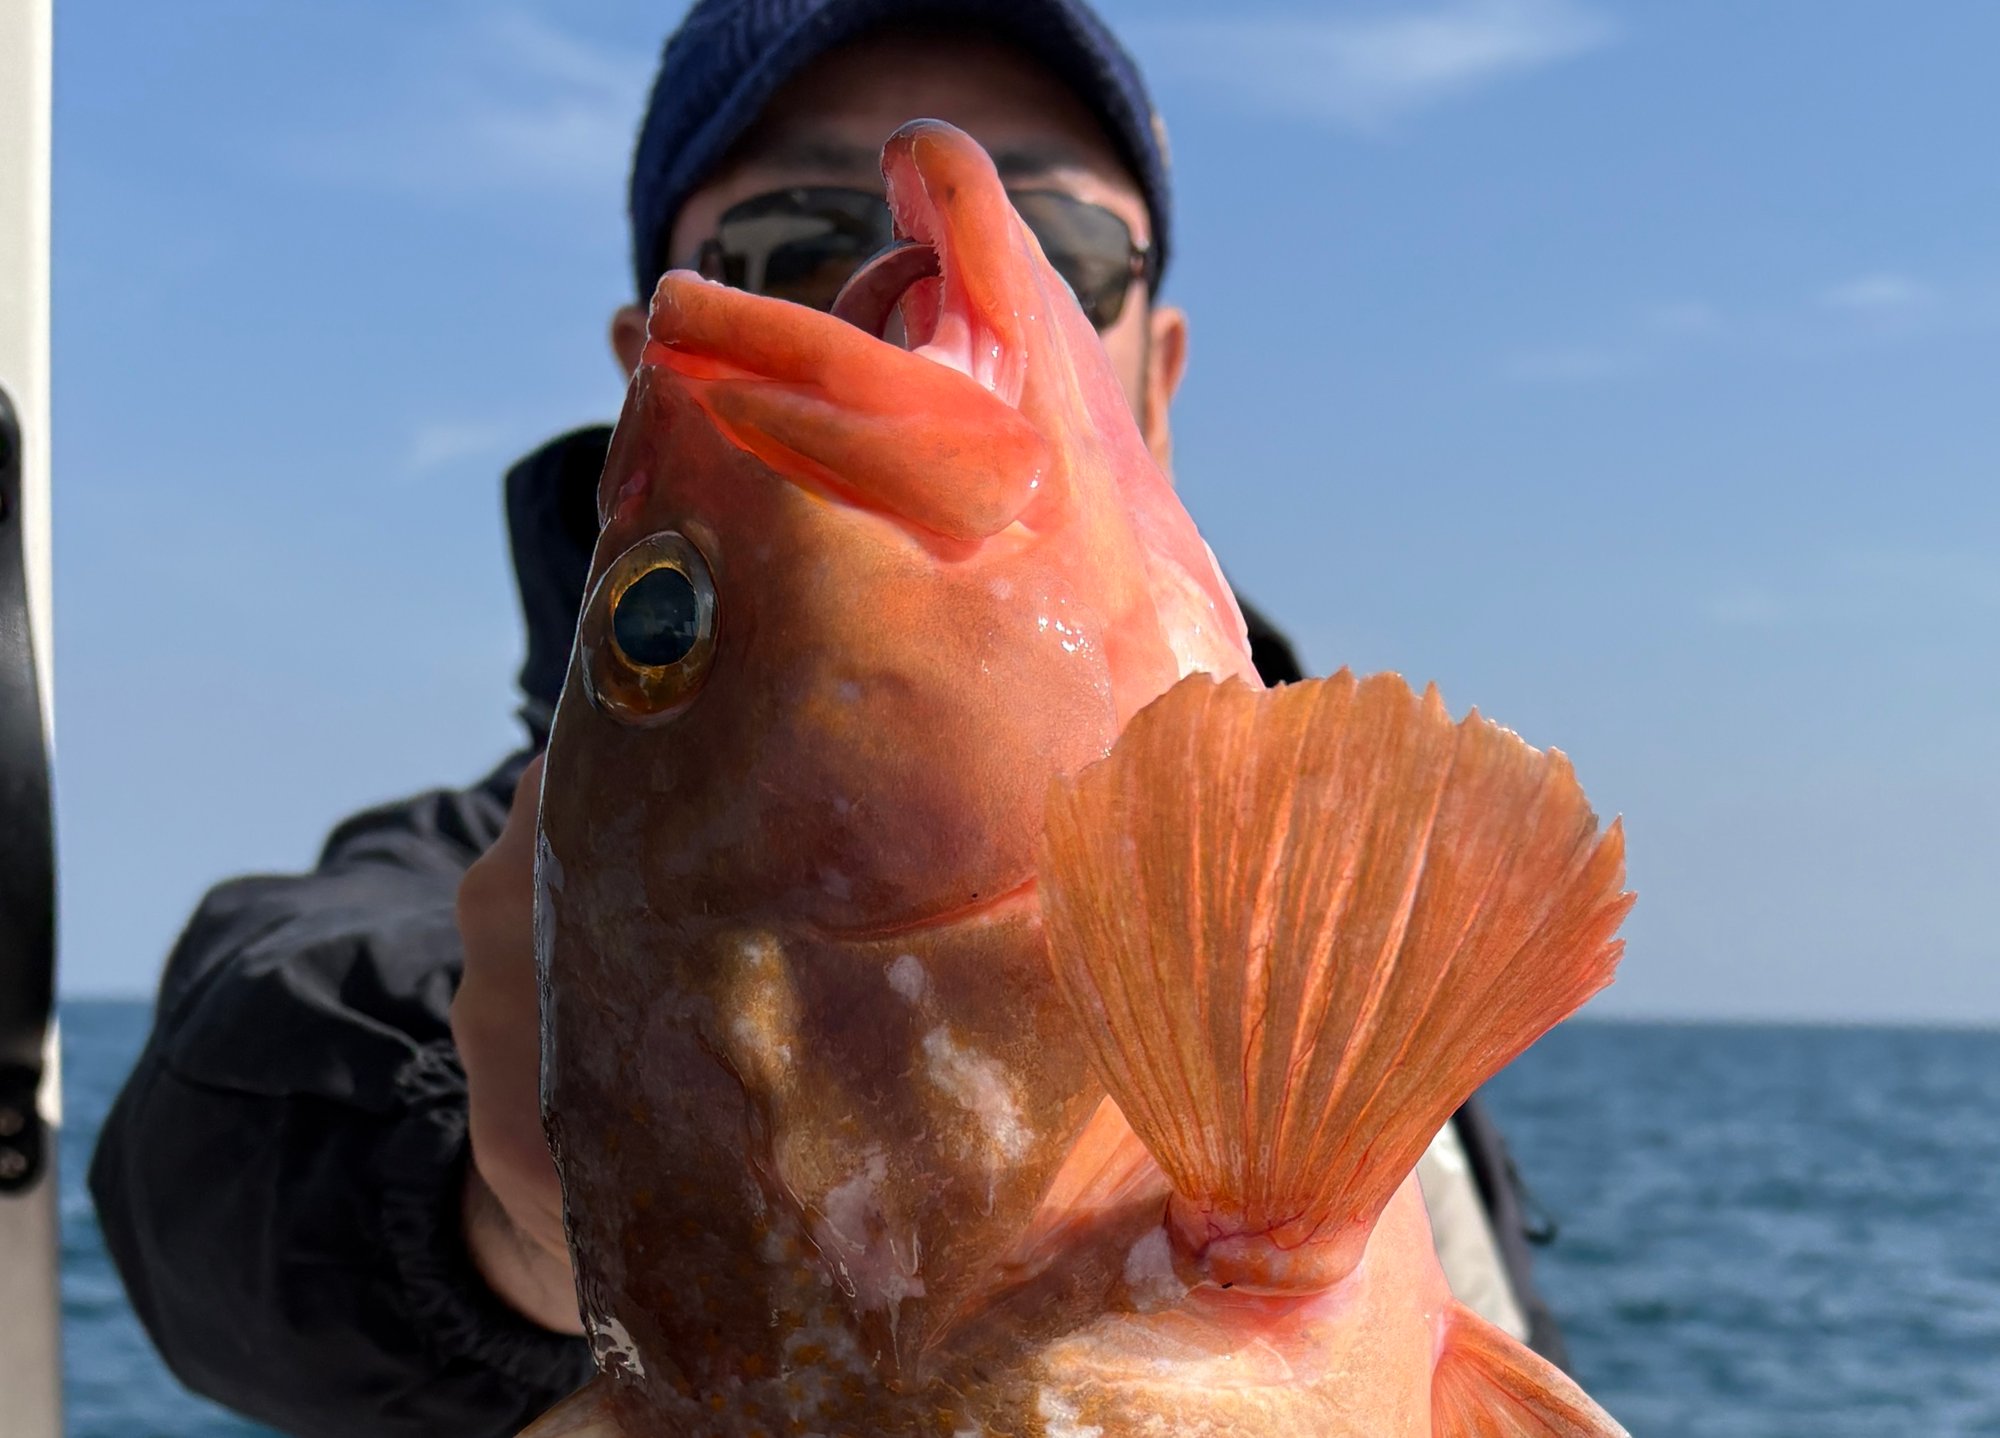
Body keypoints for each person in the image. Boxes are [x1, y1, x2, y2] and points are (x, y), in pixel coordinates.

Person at [90, 3, 1569, 1436]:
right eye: (788, 243)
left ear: (1158, 374)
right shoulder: (477, 884)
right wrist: (530, 1218)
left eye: (1065, 245)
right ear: (642, 367)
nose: (891, 273)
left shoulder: (1328, 897)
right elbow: (201, 1168)